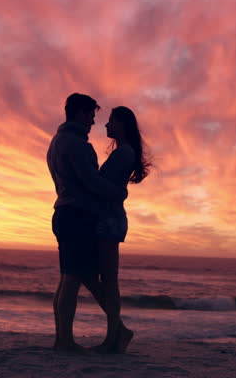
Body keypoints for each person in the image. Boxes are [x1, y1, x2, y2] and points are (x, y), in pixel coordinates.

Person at [46, 93, 128, 353]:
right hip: (78, 215)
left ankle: (63, 339)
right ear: (80, 113)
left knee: (67, 277)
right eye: (91, 115)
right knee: (72, 278)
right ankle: (66, 341)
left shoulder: (56, 141)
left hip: (63, 212)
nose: (93, 121)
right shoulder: (78, 145)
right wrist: (119, 193)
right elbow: (92, 182)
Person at [93, 106, 150, 354]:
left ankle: (114, 337)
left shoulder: (124, 153)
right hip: (106, 218)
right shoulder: (122, 152)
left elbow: (103, 186)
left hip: (109, 220)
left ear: (122, 125)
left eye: (110, 121)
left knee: (108, 281)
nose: (106, 125)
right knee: (99, 278)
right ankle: (118, 331)